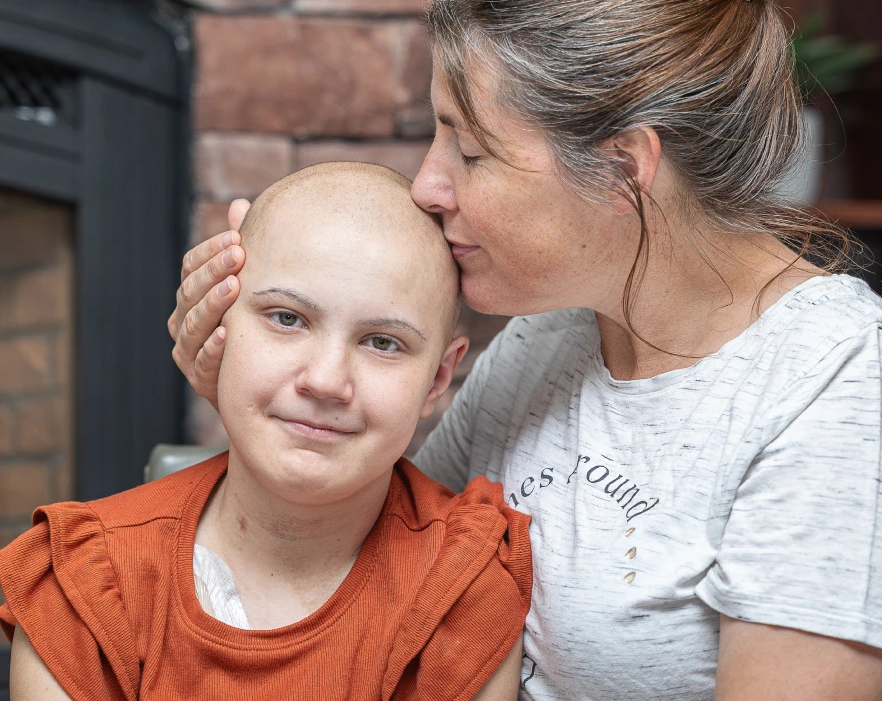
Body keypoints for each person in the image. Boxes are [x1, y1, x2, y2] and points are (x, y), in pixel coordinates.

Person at [166, 0, 882, 701]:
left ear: (624, 168)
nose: (426, 186)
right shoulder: (551, 341)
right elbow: (378, 571)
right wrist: (257, 394)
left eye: (470, 150)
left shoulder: (846, 382)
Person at [0, 163, 531, 701]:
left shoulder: (464, 585)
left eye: (382, 343)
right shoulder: (84, 585)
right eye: (286, 318)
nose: (326, 381)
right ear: (217, 321)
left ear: (439, 375)